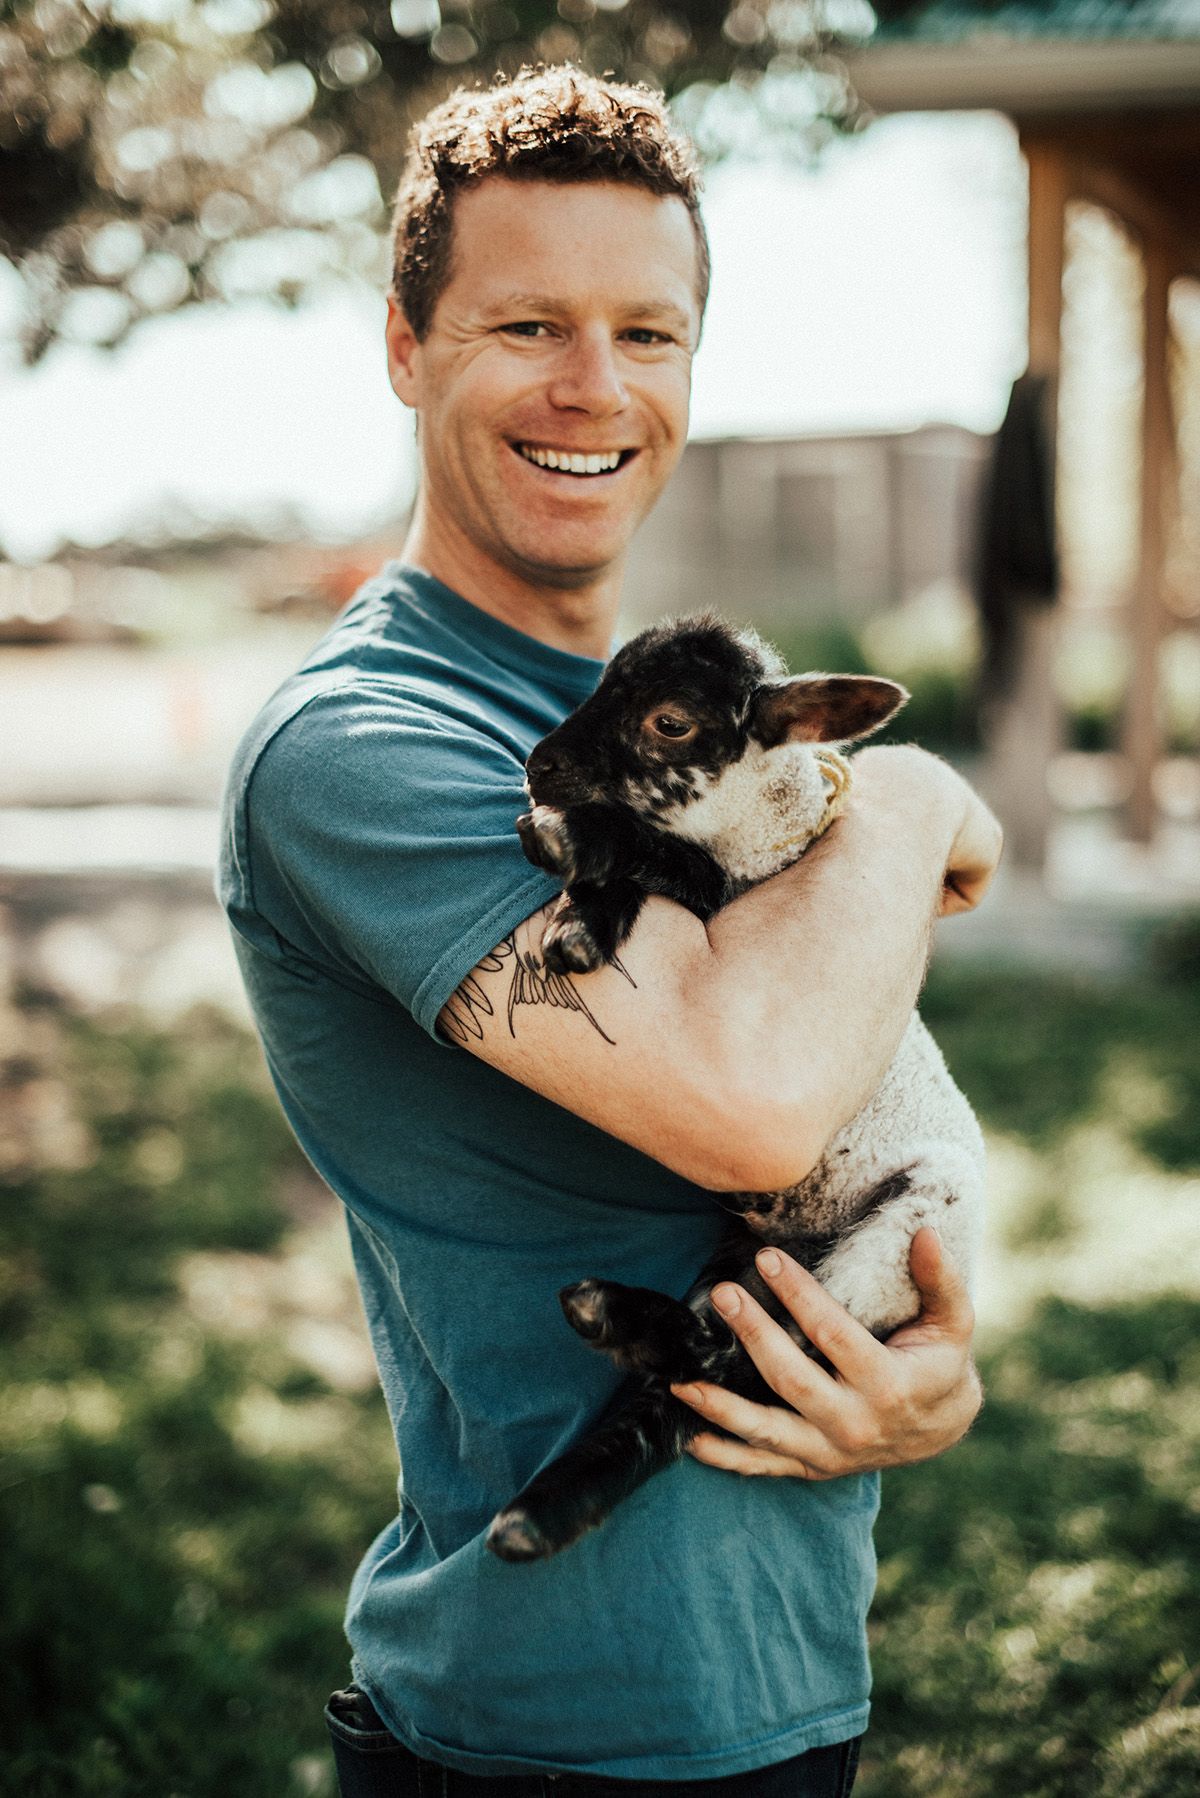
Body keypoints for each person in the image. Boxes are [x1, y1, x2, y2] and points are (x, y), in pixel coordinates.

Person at [218, 65, 1002, 1798]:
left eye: (649, 333)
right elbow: (753, 1102)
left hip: (788, 1680)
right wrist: (926, 801)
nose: (595, 386)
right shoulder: (366, 750)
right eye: (526, 325)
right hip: (543, 1728)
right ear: (408, 349)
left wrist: (933, 1369)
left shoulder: (681, 731)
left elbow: (852, 1120)